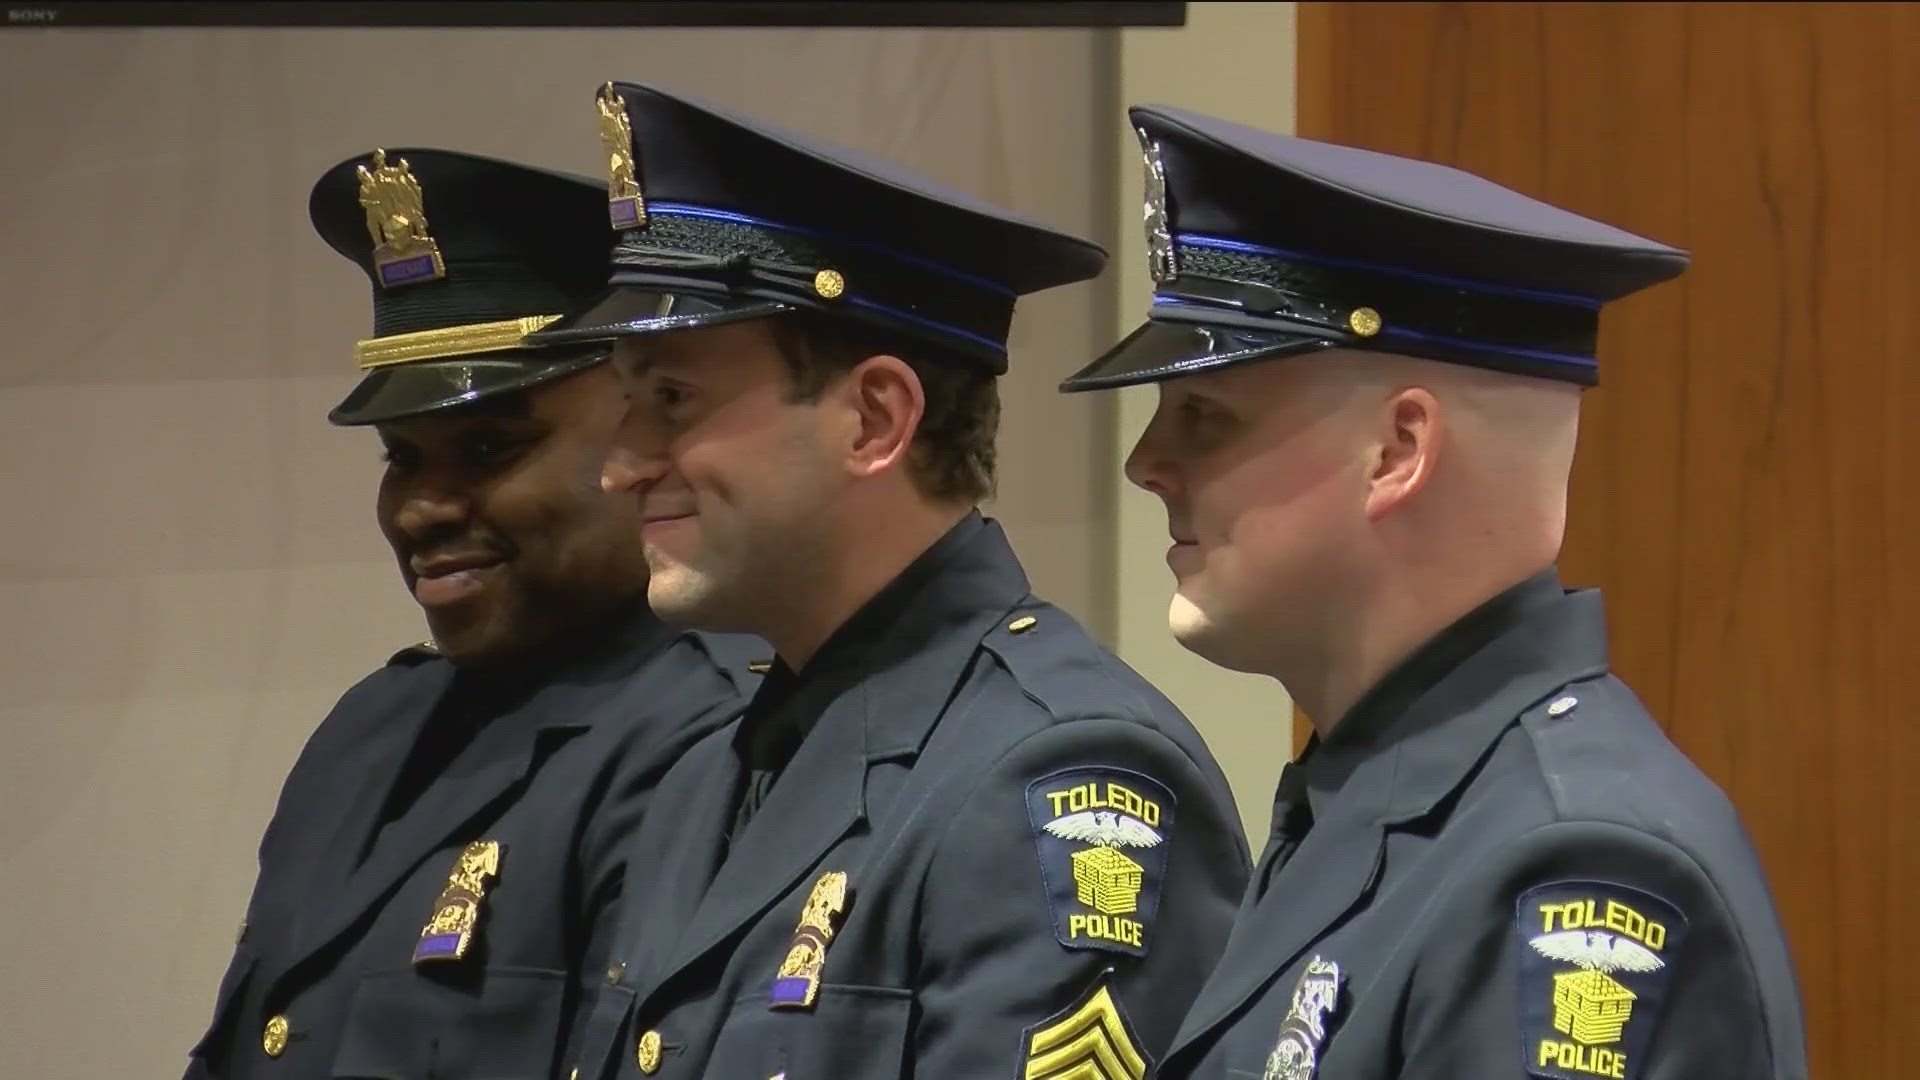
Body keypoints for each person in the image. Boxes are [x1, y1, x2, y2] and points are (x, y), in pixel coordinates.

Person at [1058, 106, 1808, 1080]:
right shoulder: (1389, 798)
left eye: (1206, 414)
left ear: (1399, 452)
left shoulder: (1573, 876)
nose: (1147, 464)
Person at [525, 82, 1251, 1080]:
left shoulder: (1056, 781)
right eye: (627, 405)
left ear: (873, 420)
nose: (622, 465)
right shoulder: (712, 769)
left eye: (674, 399)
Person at [182, 147, 763, 1080]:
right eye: (400, 459)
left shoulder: (718, 744)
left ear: (643, 437)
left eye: (490, 447)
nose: (420, 509)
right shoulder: (372, 732)